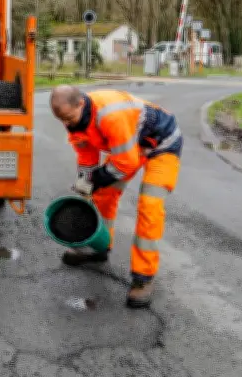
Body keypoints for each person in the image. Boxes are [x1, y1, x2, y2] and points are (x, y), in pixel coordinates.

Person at [49, 86, 182, 308]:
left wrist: (97, 178)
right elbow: (86, 154)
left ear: (80, 103)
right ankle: (98, 245)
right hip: (130, 144)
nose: (67, 123)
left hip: (162, 144)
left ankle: (144, 277)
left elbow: (126, 163)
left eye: (69, 118)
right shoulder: (73, 119)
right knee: (103, 194)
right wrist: (86, 182)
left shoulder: (110, 115)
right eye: (62, 120)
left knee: (149, 205)